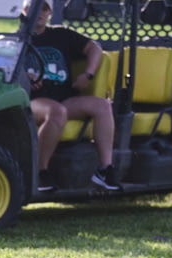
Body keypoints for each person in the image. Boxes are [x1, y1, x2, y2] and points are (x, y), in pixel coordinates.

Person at [25, 0, 120, 192]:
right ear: (24, 11)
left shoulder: (61, 34)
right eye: (35, 8)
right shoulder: (16, 39)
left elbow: (94, 47)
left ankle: (104, 170)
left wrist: (88, 74)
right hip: (32, 100)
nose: (40, 13)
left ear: (50, 13)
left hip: (64, 98)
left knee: (102, 105)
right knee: (57, 112)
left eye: (44, 9)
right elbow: (0, 64)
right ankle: (39, 172)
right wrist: (26, 78)